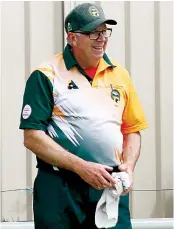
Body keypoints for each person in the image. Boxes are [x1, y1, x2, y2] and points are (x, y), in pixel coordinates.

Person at [19, 3, 148, 229]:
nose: (101, 39)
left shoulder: (120, 74)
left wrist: (128, 165)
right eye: (92, 33)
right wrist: (82, 167)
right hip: (60, 189)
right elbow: (32, 136)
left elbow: (132, 129)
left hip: (109, 185)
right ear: (72, 37)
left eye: (104, 31)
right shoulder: (46, 75)